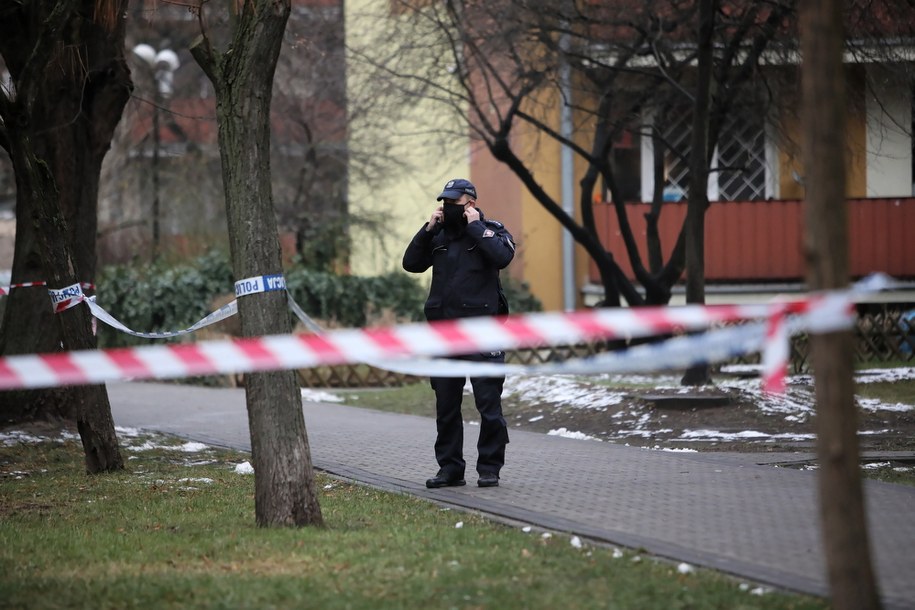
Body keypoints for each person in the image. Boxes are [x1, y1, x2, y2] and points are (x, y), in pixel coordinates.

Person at [402, 178, 515, 489]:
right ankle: (450, 469)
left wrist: (477, 228)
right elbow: (411, 263)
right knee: (446, 407)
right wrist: (427, 230)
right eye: (445, 202)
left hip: (482, 333)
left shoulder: (491, 230)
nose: (448, 207)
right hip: (444, 335)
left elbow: (504, 257)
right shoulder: (438, 235)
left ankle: (489, 468)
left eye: (455, 202)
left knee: (488, 404)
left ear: (471, 204)